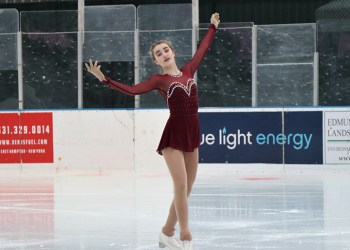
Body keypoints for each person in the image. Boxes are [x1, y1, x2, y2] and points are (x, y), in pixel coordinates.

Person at [85, 12, 220, 250]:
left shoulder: (188, 71)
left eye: (166, 50)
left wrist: (212, 27)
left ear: (173, 53)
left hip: (192, 132)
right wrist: (104, 79)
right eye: (158, 54)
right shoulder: (159, 80)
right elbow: (132, 90)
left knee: (187, 189)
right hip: (173, 136)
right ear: (156, 61)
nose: (163, 54)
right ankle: (185, 235)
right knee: (180, 186)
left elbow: (203, 49)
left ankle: (166, 233)